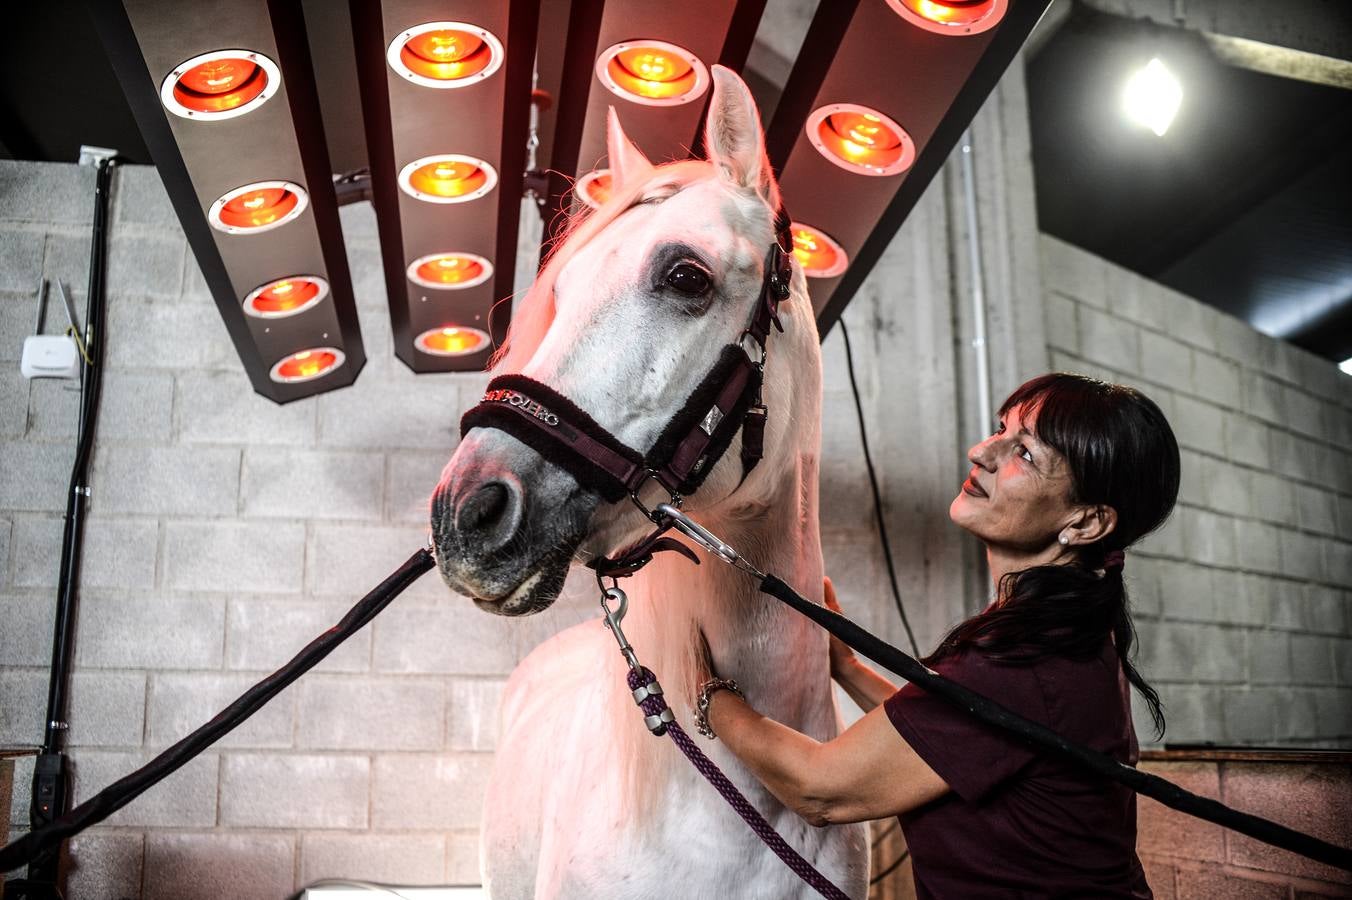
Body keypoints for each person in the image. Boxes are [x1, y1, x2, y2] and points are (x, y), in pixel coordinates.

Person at [697, 372, 1180, 898]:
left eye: (1026, 453)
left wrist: (700, 688)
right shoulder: (1064, 635)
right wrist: (848, 669)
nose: (982, 452)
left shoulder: (1027, 659)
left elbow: (820, 791)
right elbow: (953, 733)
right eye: (1001, 429)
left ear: (1085, 523)